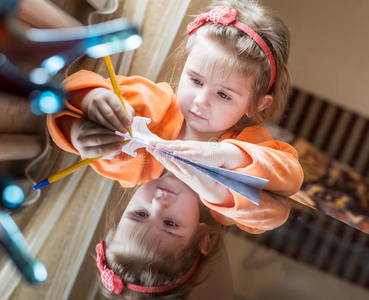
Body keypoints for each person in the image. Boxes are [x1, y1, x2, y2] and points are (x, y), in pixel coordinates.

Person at [47, 0, 303, 297]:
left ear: (257, 105)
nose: (201, 101)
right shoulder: (229, 182)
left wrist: (80, 125)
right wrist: (217, 177)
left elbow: (62, 100)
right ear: (201, 239)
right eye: (195, 80)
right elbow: (277, 208)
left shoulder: (124, 160)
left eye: (223, 94)